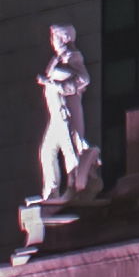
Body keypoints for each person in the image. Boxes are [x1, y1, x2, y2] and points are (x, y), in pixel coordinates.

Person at [36, 22, 95, 199]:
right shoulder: (58, 58)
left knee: (70, 150)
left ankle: (74, 186)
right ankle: (51, 191)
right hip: (56, 113)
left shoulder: (72, 56)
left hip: (65, 111)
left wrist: (53, 83)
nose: (52, 40)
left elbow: (83, 79)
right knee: (47, 152)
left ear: (64, 38)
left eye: (54, 37)